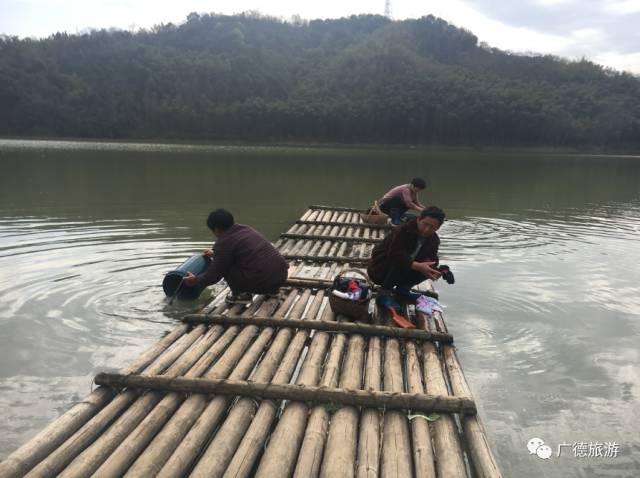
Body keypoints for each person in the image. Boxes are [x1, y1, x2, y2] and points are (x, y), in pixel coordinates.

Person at [183, 209, 288, 303]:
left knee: (226, 268)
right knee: (240, 262)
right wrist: (216, 254)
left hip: (263, 281)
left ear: (216, 229)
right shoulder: (246, 229)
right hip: (281, 275)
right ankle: (273, 290)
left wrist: (195, 280)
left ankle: (241, 295)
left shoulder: (223, 242)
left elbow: (214, 275)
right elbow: (244, 252)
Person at [367, 206, 445, 303]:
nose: (426, 229)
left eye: (432, 227)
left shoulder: (434, 240)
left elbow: (433, 257)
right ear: (418, 220)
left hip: (404, 271)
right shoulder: (403, 230)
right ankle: (384, 292)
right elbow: (394, 254)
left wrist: (437, 269)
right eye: (425, 224)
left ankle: (403, 290)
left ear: (438, 227)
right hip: (380, 270)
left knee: (429, 268)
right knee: (400, 260)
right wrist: (418, 266)